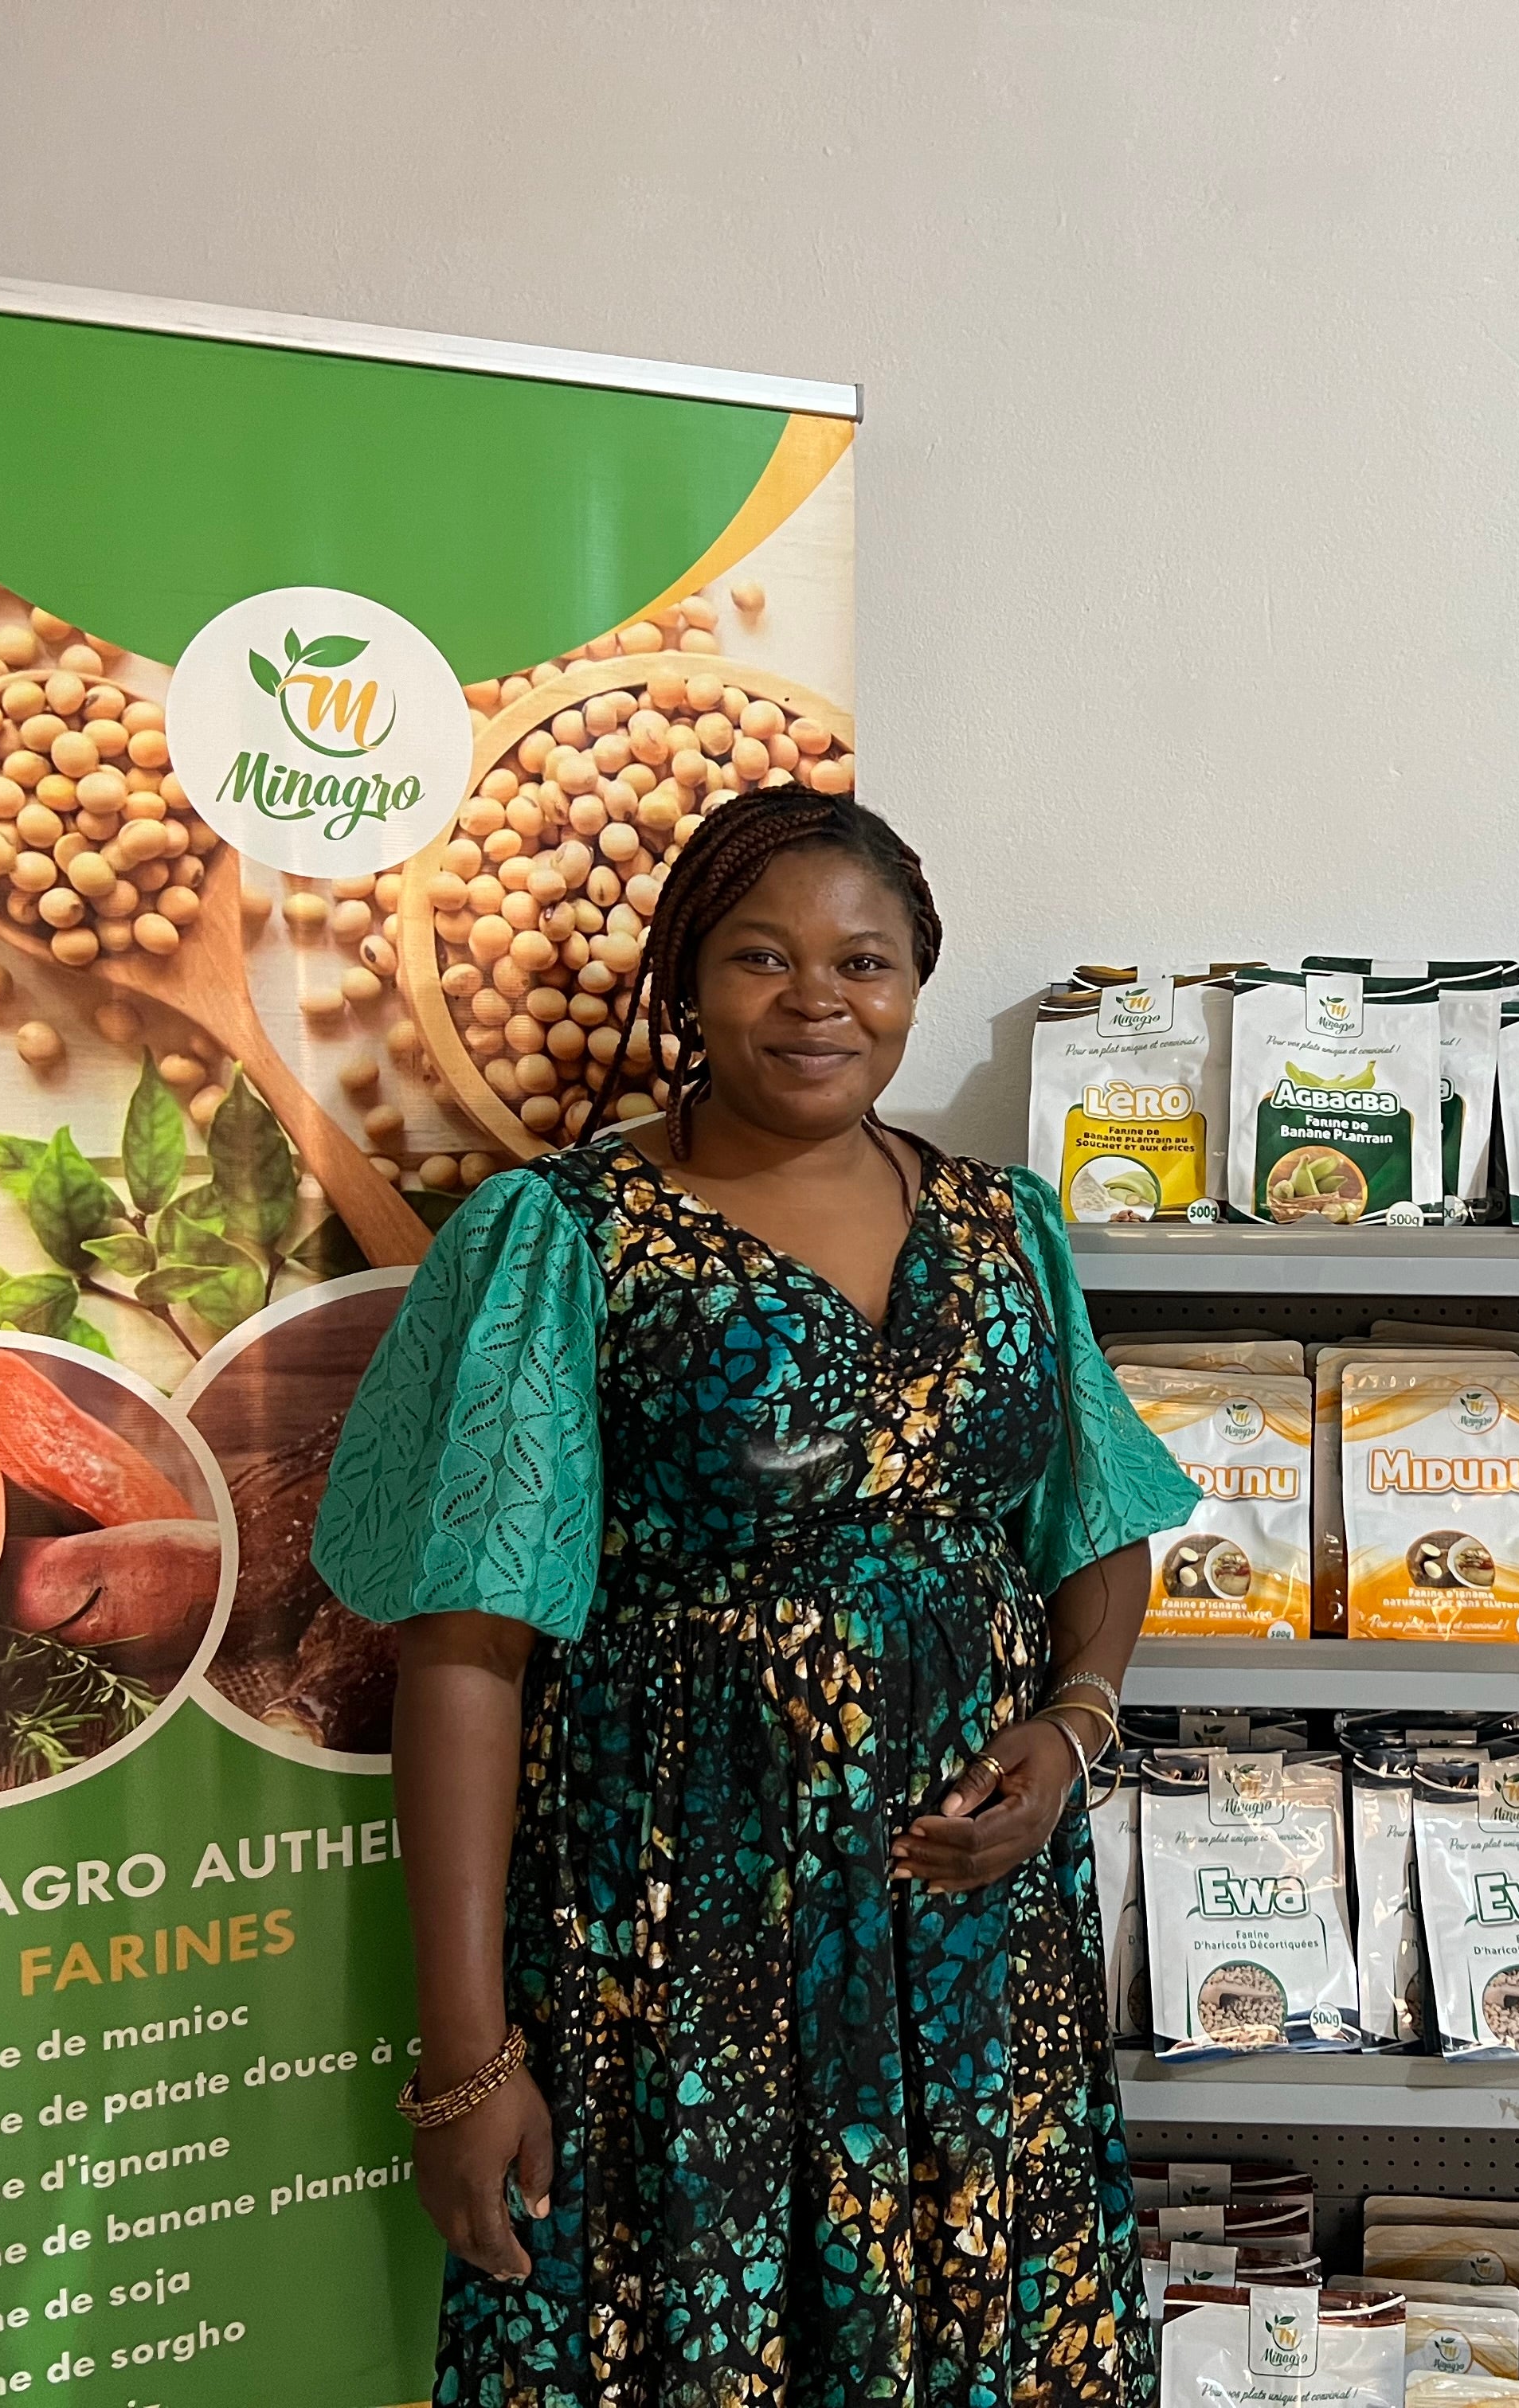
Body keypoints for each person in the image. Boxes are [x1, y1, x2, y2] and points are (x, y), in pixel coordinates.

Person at [310, 785, 1202, 2408]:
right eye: (760, 958)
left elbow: (1099, 1523)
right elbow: (464, 1645)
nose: (817, 1000)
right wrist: (467, 2058)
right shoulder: (569, 1236)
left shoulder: (1007, 1228)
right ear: (687, 985)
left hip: (970, 1946)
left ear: (916, 983)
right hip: (672, 1929)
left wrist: (1073, 1729)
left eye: (864, 962)